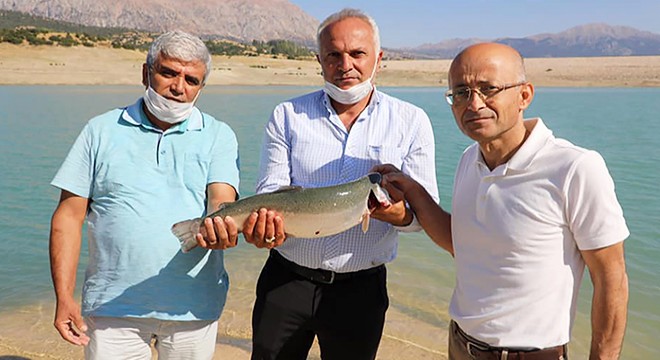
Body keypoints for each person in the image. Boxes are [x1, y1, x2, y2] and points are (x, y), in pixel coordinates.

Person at [374, 42, 629, 359]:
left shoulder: (574, 168)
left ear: (524, 95)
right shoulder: (470, 159)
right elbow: (462, 245)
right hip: (461, 345)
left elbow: (611, 277)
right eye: (461, 93)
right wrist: (411, 189)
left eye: (488, 89)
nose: (473, 104)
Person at [241, 8, 439, 360]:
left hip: (361, 291)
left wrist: (395, 215)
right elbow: (270, 194)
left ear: (379, 59)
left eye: (357, 53)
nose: (345, 64)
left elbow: (422, 218)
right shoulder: (287, 115)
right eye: (334, 54)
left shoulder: (411, 121)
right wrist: (262, 229)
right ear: (319, 60)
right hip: (286, 282)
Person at [49, 30, 240, 359]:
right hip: (112, 307)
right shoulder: (100, 130)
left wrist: (224, 229)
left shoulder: (219, 135)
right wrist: (64, 297)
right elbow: (68, 217)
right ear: (145, 72)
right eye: (168, 73)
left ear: (201, 87)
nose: (179, 88)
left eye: (191, 80)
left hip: (193, 308)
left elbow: (222, 203)